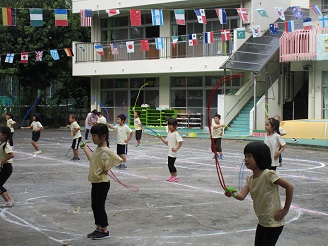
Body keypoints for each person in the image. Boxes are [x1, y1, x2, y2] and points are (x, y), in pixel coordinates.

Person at [225, 142, 294, 246]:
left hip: (274, 222)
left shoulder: (269, 174)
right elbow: (241, 196)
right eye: (245, 156)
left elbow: (289, 187)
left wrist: (285, 209)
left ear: (260, 157)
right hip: (262, 221)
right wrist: (232, 194)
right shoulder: (250, 179)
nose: (246, 159)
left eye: (249, 156)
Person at [80, 123, 122, 240]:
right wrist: (84, 149)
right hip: (95, 182)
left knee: (100, 206)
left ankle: (105, 230)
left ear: (103, 136)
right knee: (94, 205)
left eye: (94, 135)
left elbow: (117, 158)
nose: (92, 138)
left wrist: (106, 169)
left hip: (102, 183)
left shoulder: (105, 150)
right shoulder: (98, 149)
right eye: (92, 135)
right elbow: (92, 159)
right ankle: (98, 228)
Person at [158, 118, 183, 182]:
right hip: (170, 152)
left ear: (175, 126)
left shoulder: (176, 134)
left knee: (171, 164)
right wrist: (161, 137)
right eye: (168, 125)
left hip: (173, 152)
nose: (169, 126)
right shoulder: (169, 133)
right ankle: (172, 176)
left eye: (170, 125)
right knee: (169, 164)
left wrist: (176, 148)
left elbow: (181, 141)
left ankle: (176, 176)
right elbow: (167, 142)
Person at [0, 126, 15, 207]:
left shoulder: (6, 145)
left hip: (7, 167)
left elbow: (12, 154)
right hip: (5, 167)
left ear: (4, 135)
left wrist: (3, 161)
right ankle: (10, 200)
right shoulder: (2, 144)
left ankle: (8, 201)